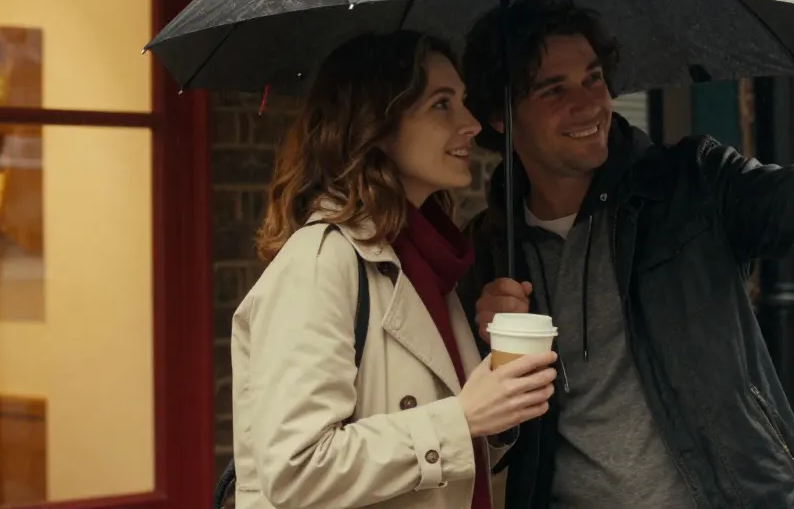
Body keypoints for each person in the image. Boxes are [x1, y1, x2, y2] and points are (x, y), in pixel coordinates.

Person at [455, 0, 794, 509]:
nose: (588, 103)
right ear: (501, 118)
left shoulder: (689, 187)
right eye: (552, 90)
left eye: (593, 77)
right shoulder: (488, 253)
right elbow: (488, 432)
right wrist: (492, 352)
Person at [230, 30, 558, 509]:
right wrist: (460, 418)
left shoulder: (425, 261)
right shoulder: (323, 261)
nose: (470, 124)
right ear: (376, 127)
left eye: (464, 102)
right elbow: (295, 469)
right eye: (441, 105)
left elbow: (443, 459)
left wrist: (497, 406)